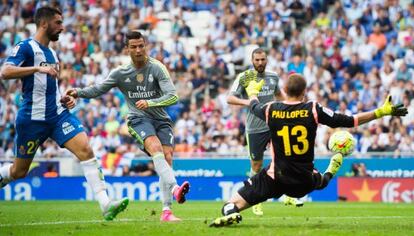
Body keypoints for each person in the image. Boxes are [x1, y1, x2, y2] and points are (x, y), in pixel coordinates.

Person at [210, 73, 407, 227]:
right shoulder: (313, 109)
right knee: (320, 181)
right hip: (303, 180)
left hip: (275, 177)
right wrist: (381, 112)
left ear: (285, 90)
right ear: (304, 92)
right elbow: (349, 120)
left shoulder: (271, 109)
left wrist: (252, 91)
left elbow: (253, 107)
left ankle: (230, 212)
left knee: (232, 202)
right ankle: (332, 168)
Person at [0, 6, 128, 221]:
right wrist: (37, 69)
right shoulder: (26, 47)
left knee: (86, 150)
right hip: (32, 119)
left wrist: (64, 99)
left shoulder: (52, 53)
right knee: (19, 171)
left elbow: (49, 87)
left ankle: (106, 204)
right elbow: (5, 72)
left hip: (58, 115)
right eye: (58, 23)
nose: (62, 27)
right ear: (44, 23)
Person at [64, 30, 190, 222]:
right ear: (127, 49)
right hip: (138, 119)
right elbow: (99, 88)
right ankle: (175, 188)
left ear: (145, 45)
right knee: (155, 147)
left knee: (167, 157)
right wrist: (78, 92)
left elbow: (173, 96)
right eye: (134, 47)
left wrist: (151, 103)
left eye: (141, 45)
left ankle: (166, 212)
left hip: (160, 119)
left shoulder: (157, 67)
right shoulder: (121, 73)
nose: (138, 50)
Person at [227, 48, 303, 216]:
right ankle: (255, 199)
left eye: (262, 59)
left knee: (285, 159)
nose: (260, 63)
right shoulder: (245, 77)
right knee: (257, 165)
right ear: (252, 61)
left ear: (266, 59)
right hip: (255, 128)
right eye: (257, 60)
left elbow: (280, 95)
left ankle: (289, 196)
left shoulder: (273, 76)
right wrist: (249, 102)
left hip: (274, 123)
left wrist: (294, 105)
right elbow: (229, 98)